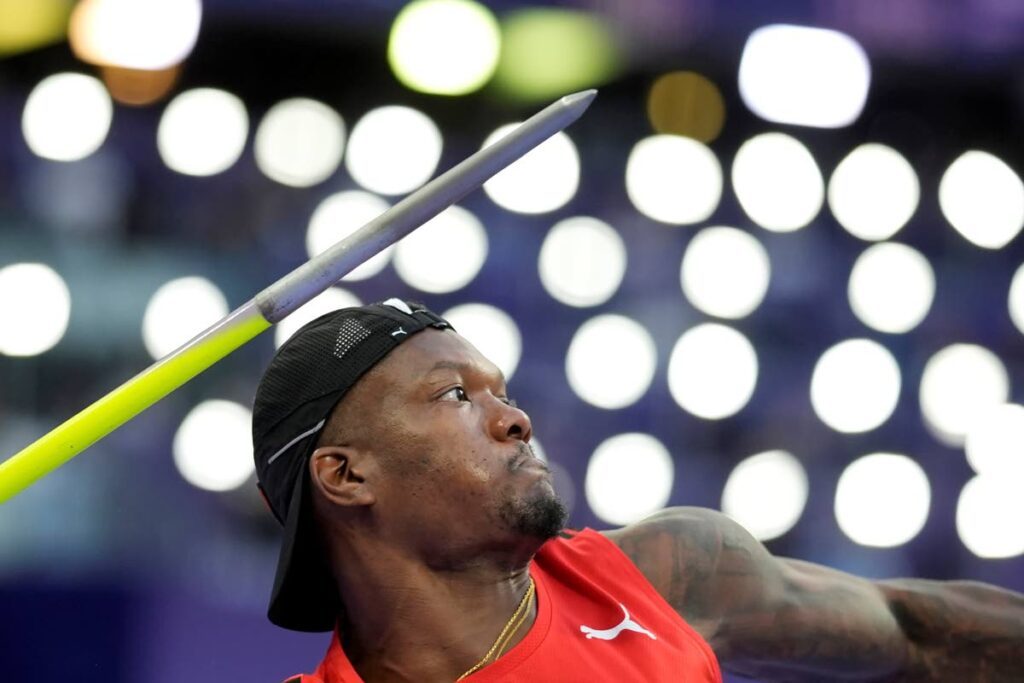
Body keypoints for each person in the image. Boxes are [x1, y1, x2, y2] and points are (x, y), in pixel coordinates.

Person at [252, 298, 1024, 682]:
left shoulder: (666, 574)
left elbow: (919, 629)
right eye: (456, 396)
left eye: (503, 390)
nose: (515, 419)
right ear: (347, 475)